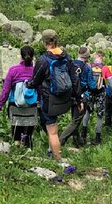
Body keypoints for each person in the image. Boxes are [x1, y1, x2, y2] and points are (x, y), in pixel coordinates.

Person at [28, 29, 82, 162]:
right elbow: (74, 78)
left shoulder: (43, 60)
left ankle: (57, 159)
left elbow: (35, 81)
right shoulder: (67, 57)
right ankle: (53, 154)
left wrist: (27, 84)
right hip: (65, 99)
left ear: (44, 42)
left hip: (49, 99)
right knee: (54, 128)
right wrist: (79, 98)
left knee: (52, 131)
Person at [0, 45, 37, 146]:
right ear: (33, 57)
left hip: (15, 106)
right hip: (31, 107)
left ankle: (16, 146)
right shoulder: (35, 71)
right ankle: (28, 148)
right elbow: (40, 90)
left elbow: (5, 91)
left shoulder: (13, 70)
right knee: (29, 133)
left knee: (16, 130)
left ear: (21, 57)